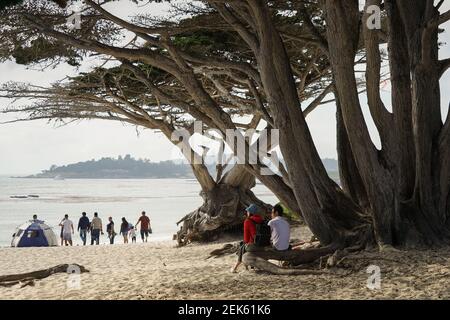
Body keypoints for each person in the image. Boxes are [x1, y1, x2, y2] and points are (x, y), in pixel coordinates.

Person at [231, 204, 264, 273]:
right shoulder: (261, 220)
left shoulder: (247, 221)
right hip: (262, 241)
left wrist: (247, 242)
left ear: (250, 212)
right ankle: (246, 268)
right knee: (242, 248)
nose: (247, 212)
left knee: (241, 249)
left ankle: (235, 268)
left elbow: (249, 235)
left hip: (252, 242)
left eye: (248, 211)